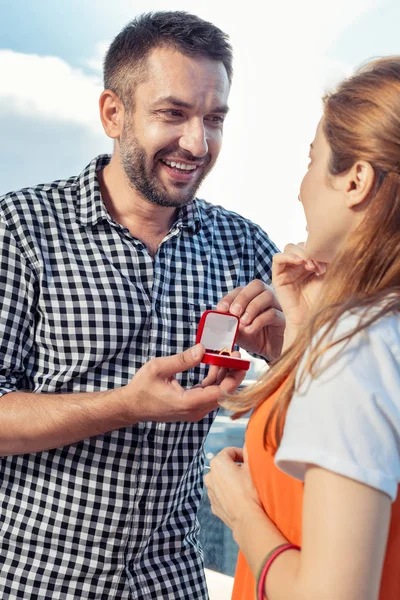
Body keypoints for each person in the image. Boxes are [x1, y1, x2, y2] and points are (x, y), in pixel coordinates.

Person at [0, 11, 282, 600]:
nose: (197, 143)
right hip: (32, 581)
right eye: (173, 114)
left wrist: (286, 347)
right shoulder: (20, 230)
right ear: (113, 113)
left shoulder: (247, 247)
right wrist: (127, 405)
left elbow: (317, 381)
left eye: (214, 119)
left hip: (170, 582)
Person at [205, 56, 400, 600]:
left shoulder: (358, 344)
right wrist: (303, 332)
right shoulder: (368, 334)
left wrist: (239, 512)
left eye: (312, 161)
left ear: (356, 179)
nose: (300, 190)